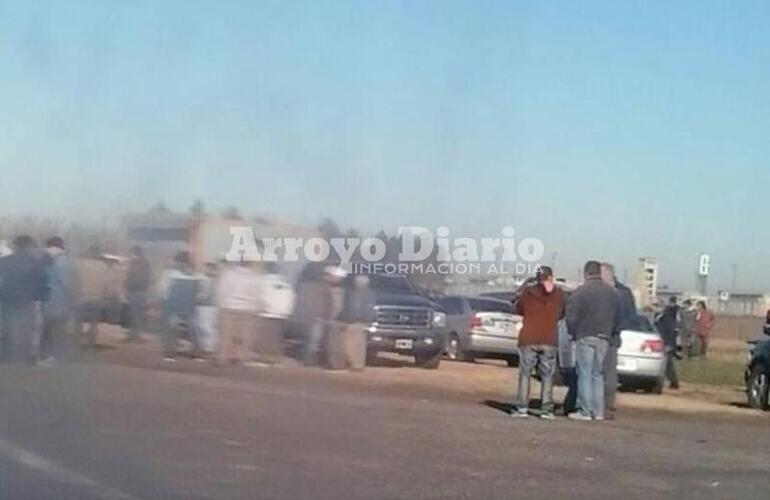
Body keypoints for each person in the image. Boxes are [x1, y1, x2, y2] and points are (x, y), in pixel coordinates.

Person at [566, 260, 621, 421]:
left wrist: (573, 332)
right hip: (605, 336)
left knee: (584, 373)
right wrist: (612, 333)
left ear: (586, 273)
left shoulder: (580, 292)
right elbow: (619, 317)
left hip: (585, 334)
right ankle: (598, 412)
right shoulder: (614, 294)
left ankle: (585, 411)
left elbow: (571, 316)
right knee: (598, 373)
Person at [510, 266, 565, 420]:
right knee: (548, 375)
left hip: (529, 337)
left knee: (525, 374)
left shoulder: (528, 293)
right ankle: (546, 409)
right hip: (549, 338)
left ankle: (522, 407)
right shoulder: (559, 294)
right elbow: (562, 313)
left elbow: (519, 309)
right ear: (551, 277)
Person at [0, 235, 48, 364]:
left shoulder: (4, 262)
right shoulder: (37, 263)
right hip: (28, 300)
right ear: (29, 246)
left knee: (5, 328)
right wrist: (41, 299)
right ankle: (21, 358)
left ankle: (4, 357)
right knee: (24, 330)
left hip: (6, 299)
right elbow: (43, 284)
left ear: (15, 246)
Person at [600, 262, 636, 419]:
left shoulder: (623, 293)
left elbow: (629, 316)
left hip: (611, 337)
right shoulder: (601, 290)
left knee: (608, 373)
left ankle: (607, 405)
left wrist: (615, 329)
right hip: (596, 335)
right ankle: (594, 403)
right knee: (595, 372)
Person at [40, 237, 79, 365]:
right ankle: (54, 357)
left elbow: (66, 284)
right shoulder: (64, 261)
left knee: (55, 331)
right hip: (57, 303)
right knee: (56, 331)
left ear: (53, 247)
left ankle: (55, 357)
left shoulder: (60, 263)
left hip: (56, 302)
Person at [157, 251, 202, 362]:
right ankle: (197, 353)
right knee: (192, 329)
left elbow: (162, 289)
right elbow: (200, 292)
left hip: (172, 304)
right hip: (189, 305)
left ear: (176, 260)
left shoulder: (169, 273)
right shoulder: (195, 274)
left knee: (171, 329)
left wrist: (162, 301)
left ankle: (170, 353)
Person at [215, 260, 261, 366]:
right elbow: (257, 295)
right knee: (243, 338)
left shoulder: (228, 274)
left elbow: (221, 291)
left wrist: (220, 306)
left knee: (225, 336)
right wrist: (255, 309)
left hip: (228, 307)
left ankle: (222, 357)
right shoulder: (255, 277)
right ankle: (240, 358)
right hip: (247, 310)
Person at [293, 264, 336, 366]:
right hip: (318, 318)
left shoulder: (319, 287)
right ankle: (308, 359)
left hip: (317, 318)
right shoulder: (323, 288)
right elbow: (324, 304)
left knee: (314, 340)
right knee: (314, 340)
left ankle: (309, 359)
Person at [253, 262, 294, 365]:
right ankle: (273, 360)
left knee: (262, 341)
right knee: (275, 340)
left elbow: (257, 296)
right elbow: (291, 298)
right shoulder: (286, 283)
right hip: (281, 315)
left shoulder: (261, 280)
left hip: (265, 314)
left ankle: (263, 360)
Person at [76, 246, 109, 349]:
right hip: (97, 298)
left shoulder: (81, 264)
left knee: (78, 322)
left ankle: (76, 344)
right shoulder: (104, 266)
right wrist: (105, 297)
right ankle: (91, 345)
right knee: (94, 324)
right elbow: (106, 284)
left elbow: (76, 280)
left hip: (82, 297)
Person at [124, 246, 152, 343]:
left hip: (136, 291)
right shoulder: (144, 263)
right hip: (139, 292)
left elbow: (132, 277)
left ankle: (135, 336)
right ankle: (134, 335)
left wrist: (127, 286)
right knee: (135, 314)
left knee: (135, 314)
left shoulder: (138, 264)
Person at [656, 296, 682, 390]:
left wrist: (669, 344)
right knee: (667, 364)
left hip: (666, 341)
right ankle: (673, 382)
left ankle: (673, 382)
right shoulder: (663, 315)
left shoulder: (668, 315)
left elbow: (670, 330)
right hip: (664, 341)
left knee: (667, 363)